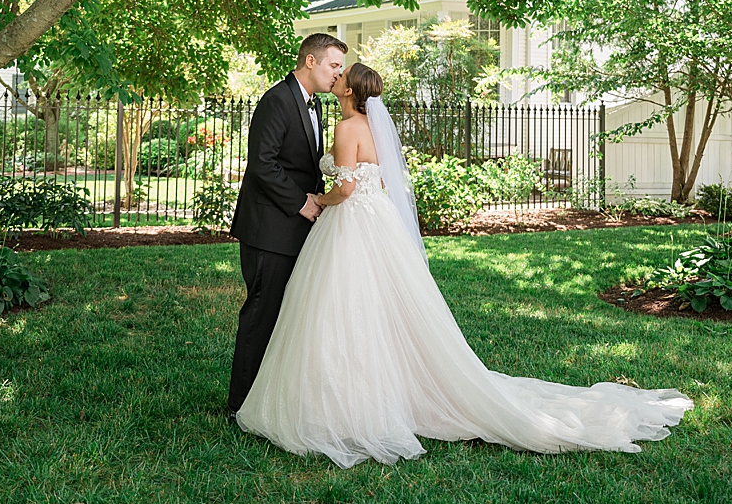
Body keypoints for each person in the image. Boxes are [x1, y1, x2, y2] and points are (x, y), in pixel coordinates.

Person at [236, 62, 693, 467]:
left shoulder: (346, 128)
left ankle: (343, 402)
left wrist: (319, 198)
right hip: (379, 224)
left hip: (351, 221)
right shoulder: (375, 128)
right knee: (379, 307)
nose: (337, 77)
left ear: (352, 91)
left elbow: (347, 189)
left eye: (343, 73)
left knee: (339, 307)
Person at [226, 32, 347, 415]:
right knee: (262, 313)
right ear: (310, 62)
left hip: (294, 229)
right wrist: (302, 204)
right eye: (333, 66)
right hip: (269, 229)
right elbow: (263, 163)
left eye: (341, 68)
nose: (337, 74)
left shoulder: (315, 105)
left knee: (286, 315)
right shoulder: (276, 100)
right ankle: (240, 404)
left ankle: (270, 398)